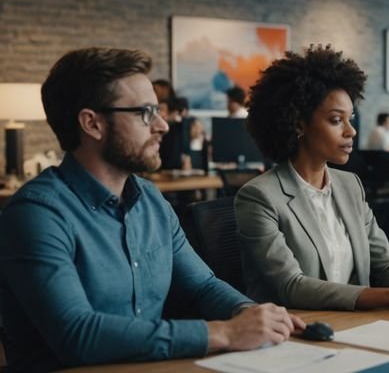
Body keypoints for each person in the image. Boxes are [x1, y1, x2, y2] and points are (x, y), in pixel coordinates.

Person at [0, 48, 303, 371]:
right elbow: (78, 335)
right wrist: (225, 333)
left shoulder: (150, 200)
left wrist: (249, 314)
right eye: (145, 113)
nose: (162, 125)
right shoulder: (36, 214)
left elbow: (202, 286)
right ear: (92, 123)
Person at [235, 45, 389, 311]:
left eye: (350, 119)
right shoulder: (259, 197)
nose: (351, 132)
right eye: (336, 120)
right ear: (298, 124)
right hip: (295, 331)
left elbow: (385, 263)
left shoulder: (349, 186)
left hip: (356, 325)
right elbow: (292, 286)